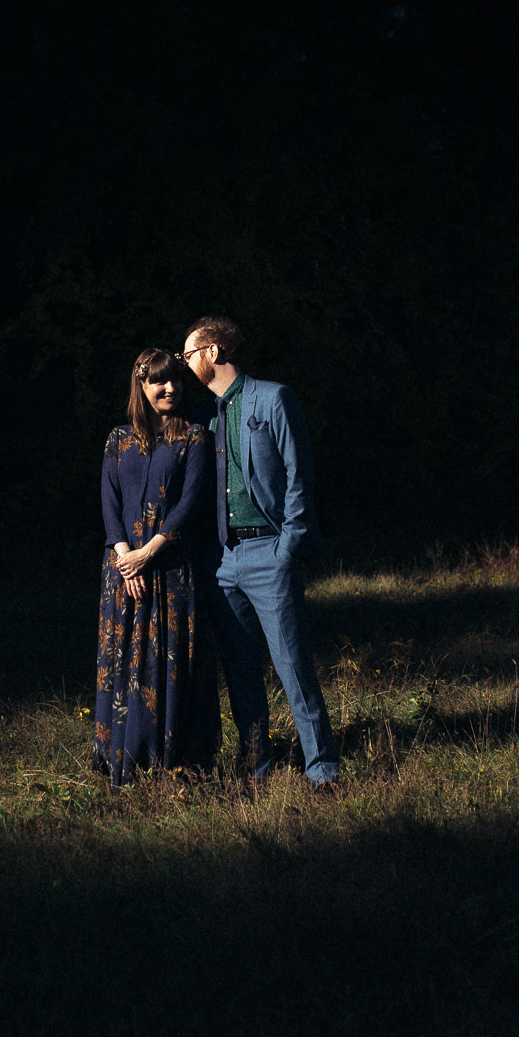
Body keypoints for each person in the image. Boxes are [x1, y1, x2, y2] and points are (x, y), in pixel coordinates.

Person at [173, 315, 340, 788]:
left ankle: (323, 771)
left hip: (270, 551)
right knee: (241, 673)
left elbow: (299, 476)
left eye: (188, 354)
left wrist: (288, 546)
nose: (185, 364)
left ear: (214, 352)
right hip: (221, 562)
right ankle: (258, 771)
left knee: (293, 667)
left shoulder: (273, 398)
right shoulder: (202, 417)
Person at [94, 348, 222, 785]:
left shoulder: (194, 437)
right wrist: (123, 554)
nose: (170, 389)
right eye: (159, 382)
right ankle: (121, 759)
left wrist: (148, 552)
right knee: (125, 656)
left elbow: (190, 502)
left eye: (176, 381)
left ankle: (171, 759)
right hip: (123, 570)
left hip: (169, 569)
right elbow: (110, 502)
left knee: (166, 662)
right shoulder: (118, 438)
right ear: (142, 386)